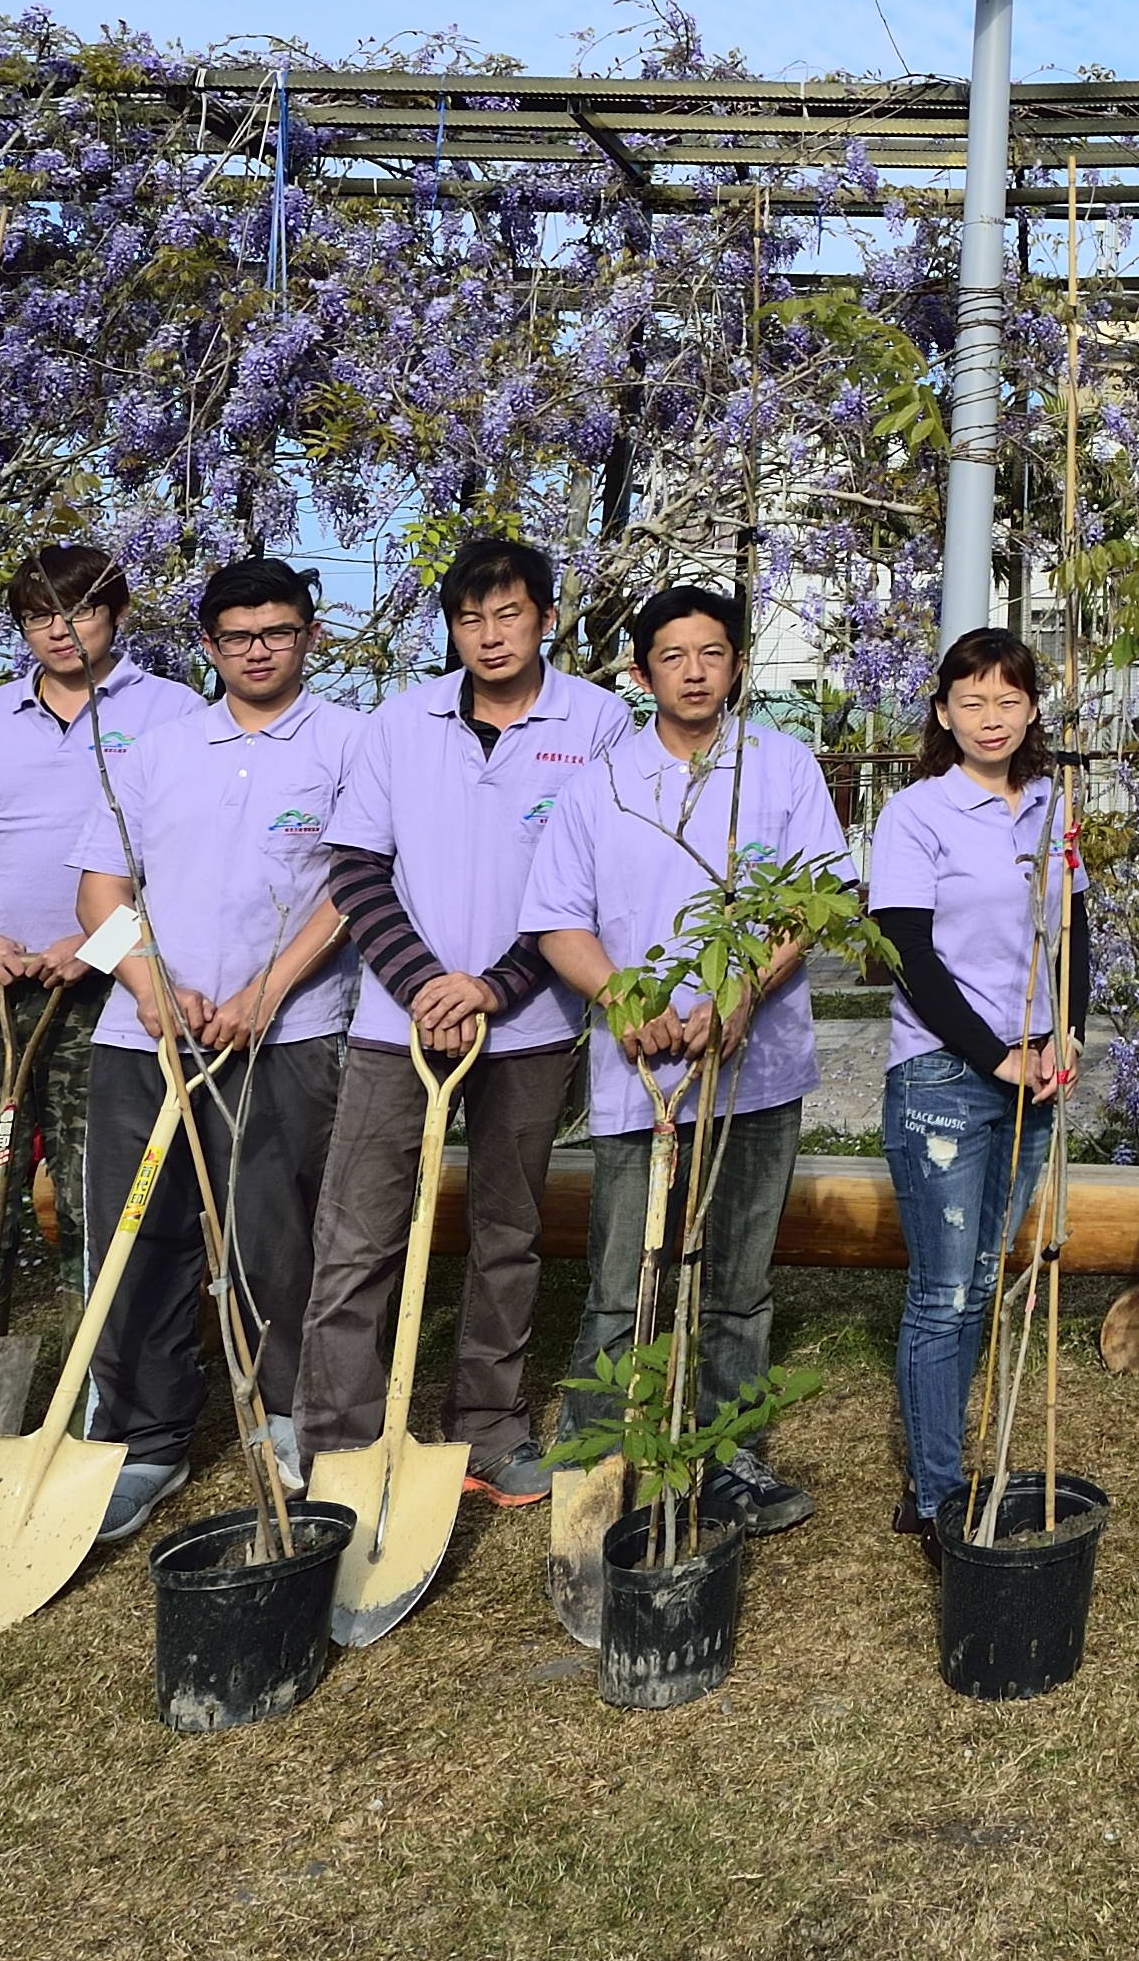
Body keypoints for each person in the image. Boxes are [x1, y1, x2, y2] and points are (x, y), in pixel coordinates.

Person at [296, 535, 627, 1511]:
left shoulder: (599, 722)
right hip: (393, 1026)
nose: (489, 634)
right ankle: (341, 1443)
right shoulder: (398, 723)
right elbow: (355, 869)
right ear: (451, 627)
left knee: (506, 1233)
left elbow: (589, 883)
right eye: (470, 618)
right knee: (357, 1234)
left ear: (546, 620)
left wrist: (491, 987)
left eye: (509, 614)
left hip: (526, 1027)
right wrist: (428, 982)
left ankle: (487, 1428)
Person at [532, 581, 847, 1540]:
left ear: (738, 664)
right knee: (625, 1269)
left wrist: (741, 992)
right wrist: (625, 999)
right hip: (641, 1074)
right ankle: (596, 1459)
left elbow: (815, 896)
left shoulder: (780, 768)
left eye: (713, 653)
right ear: (641, 674)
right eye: (674, 657)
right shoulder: (605, 785)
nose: (696, 672)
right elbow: (557, 919)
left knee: (738, 1272)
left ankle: (727, 1451)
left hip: (756, 1063)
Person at [71, 557, 353, 1536]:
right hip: (142, 1037)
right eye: (238, 637)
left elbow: (353, 894)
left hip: (287, 1035)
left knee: (278, 1235)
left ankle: (287, 1417)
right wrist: (150, 987)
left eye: (277, 632)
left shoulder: (348, 743)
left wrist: (264, 994)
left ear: (308, 636)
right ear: (207, 646)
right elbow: (96, 898)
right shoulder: (156, 748)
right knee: (137, 1234)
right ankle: (145, 1437)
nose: (258, 650)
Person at [0, 543, 198, 1327]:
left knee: (93, 1181)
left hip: (111, 979)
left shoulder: (171, 711)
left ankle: (96, 1369)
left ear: (116, 614)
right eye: (39, 617)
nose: (59, 630)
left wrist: (99, 946)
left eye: (76, 611)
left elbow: (185, 860)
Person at [868, 628, 1090, 1545]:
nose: (990, 718)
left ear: (1032, 709)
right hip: (943, 1075)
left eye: (1008, 700)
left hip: (1033, 1068)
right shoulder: (916, 813)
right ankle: (935, 1495)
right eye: (972, 701)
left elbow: (1077, 926)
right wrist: (993, 1054)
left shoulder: (1051, 806)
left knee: (980, 1283)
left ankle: (943, 1470)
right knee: (943, 1290)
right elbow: (907, 954)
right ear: (942, 712)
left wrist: (1067, 1029)